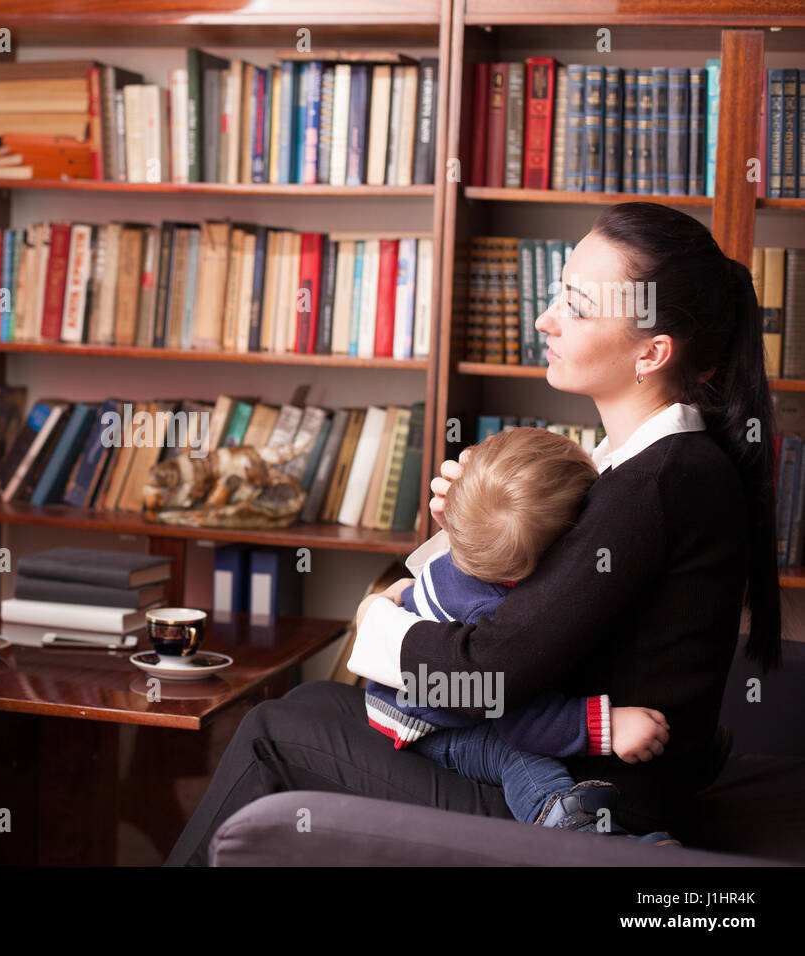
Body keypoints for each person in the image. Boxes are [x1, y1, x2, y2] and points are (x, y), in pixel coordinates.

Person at [166, 201, 781, 866]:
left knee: (272, 732)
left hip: (568, 795)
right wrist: (468, 530)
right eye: (557, 295)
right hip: (557, 754)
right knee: (312, 703)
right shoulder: (636, 464)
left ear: (651, 352)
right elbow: (533, 609)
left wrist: (378, 628)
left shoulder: (655, 483)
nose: (545, 320)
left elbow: (489, 672)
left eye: (576, 306)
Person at [363, 426, 673, 837]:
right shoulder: (493, 615)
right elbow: (516, 717)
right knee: (517, 755)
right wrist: (607, 726)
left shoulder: (469, 551)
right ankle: (571, 827)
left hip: (426, 688)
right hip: (426, 722)